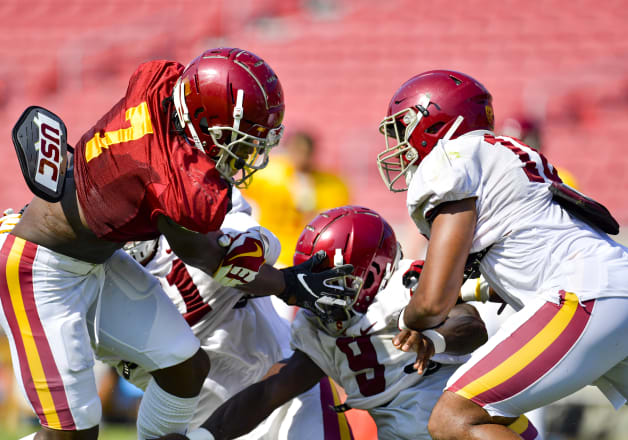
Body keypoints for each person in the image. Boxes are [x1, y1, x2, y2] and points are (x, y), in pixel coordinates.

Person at [0, 47, 353, 440]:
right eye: (237, 141)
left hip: (98, 262)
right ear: (203, 120)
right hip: (42, 271)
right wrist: (288, 284)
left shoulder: (157, 84)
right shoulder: (180, 185)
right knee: (75, 435)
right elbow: (215, 260)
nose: (243, 156)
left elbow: (106, 171)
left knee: (186, 367)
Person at [376, 69, 628, 439]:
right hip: (610, 280)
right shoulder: (505, 155)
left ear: (436, 121)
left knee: (455, 417)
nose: (400, 144)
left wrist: (408, 320)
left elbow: (432, 302)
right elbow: (515, 267)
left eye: (404, 127)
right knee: (496, 418)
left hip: (585, 292)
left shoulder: (451, 158)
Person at [181, 205, 492, 440]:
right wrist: (201, 437)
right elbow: (268, 392)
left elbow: (471, 326)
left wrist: (433, 338)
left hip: (463, 425)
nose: (315, 288)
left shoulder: (406, 284)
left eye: (326, 278)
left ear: (370, 274)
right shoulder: (320, 326)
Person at [120, 187, 352, 439]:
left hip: (290, 400)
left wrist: (253, 259)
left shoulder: (188, 206)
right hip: (201, 428)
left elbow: (261, 245)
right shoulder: (93, 292)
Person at [243, 130, 350, 268]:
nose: (300, 157)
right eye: (296, 150)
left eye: (304, 152)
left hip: (308, 256)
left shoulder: (333, 185)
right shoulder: (267, 176)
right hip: (270, 251)